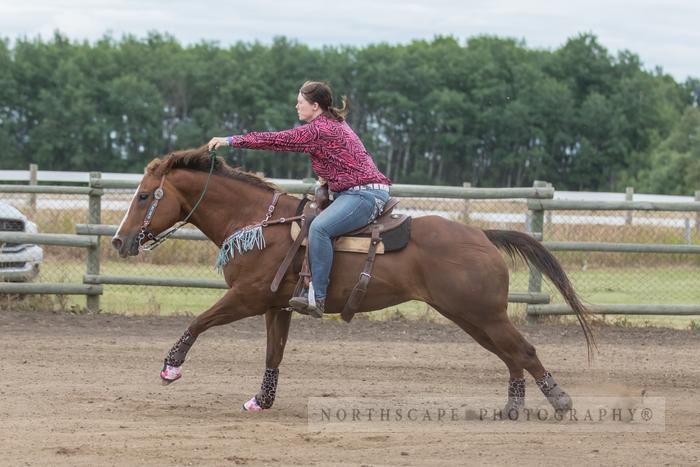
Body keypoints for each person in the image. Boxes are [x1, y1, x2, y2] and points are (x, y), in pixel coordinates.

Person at [208, 81, 391, 318]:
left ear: (315, 106)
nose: (296, 105)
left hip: (363, 194)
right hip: (358, 191)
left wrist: (232, 140)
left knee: (320, 229)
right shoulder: (333, 124)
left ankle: (317, 296)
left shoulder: (319, 130)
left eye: (301, 102)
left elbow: (275, 140)